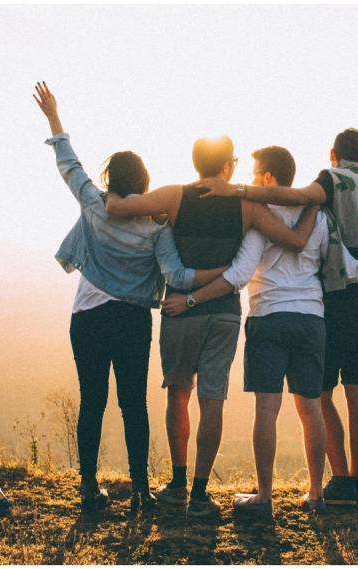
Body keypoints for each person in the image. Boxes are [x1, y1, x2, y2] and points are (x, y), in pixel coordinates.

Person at [161, 146, 358, 516]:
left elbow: (238, 275)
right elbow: (347, 266)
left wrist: (191, 298)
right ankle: (317, 494)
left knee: (267, 410)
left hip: (269, 317)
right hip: (311, 320)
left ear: (269, 178)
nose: (253, 179)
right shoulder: (317, 217)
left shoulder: (261, 218)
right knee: (311, 409)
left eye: (257, 173)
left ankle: (265, 498)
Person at [33, 82, 227, 518]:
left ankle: (88, 488)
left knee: (92, 400)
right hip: (133, 319)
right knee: (133, 403)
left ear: (110, 180)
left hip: (87, 315)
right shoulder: (156, 226)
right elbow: (175, 275)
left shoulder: (95, 205)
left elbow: (69, 165)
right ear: (144, 182)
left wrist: (54, 117)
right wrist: (226, 274)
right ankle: (140, 490)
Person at [105, 137, 318, 517]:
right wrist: (315, 204)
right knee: (212, 399)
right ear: (228, 168)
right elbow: (294, 241)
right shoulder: (246, 206)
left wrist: (111, 194)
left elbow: (121, 207)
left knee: (178, 393)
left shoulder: (173, 196)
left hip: (178, 312)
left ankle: (177, 484)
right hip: (223, 314)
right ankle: (201, 494)